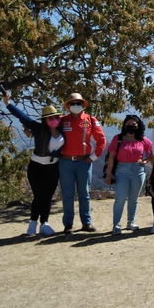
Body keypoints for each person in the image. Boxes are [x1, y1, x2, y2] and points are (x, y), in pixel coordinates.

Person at [3, 92, 64, 236]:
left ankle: (45, 224)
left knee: (48, 196)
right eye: (50, 117)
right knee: (38, 196)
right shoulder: (38, 128)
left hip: (53, 167)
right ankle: (32, 223)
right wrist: (8, 103)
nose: (53, 119)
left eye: (55, 117)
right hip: (37, 167)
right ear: (44, 120)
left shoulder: (62, 130)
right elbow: (22, 116)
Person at [58, 92, 106, 233]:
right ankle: (68, 224)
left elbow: (101, 140)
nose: (76, 106)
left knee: (84, 193)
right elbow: (47, 129)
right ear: (68, 106)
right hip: (65, 162)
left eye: (78, 103)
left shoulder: (90, 120)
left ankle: (86, 222)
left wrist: (92, 158)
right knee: (67, 194)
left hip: (83, 162)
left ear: (83, 105)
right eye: (73, 103)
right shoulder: (62, 120)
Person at [105, 115, 153, 235]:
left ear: (138, 126)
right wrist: (109, 173)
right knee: (120, 198)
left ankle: (130, 222)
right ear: (125, 126)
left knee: (133, 198)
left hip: (138, 171)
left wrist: (146, 161)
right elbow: (111, 157)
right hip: (121, 170)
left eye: (134, 125)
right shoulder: (118, 139)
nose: (131, 127)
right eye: (128, 125)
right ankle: (116, 225)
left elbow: (153, 151)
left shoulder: (142, 139)